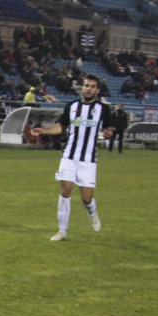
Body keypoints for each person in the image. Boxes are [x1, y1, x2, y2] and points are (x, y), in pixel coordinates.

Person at [31, 74, 113, 241]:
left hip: (88, 159)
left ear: (97, 90)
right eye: (86, 85)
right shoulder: (72, 106)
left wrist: (109, 133)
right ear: (82, 87)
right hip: (69, 156)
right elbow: (61, 127)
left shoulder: (103, 109)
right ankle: (62, 231)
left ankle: (92, 213)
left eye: (91, 86)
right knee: (66, 190)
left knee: (86, 198)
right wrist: (44, 130)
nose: (88, 88)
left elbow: (108, 131)